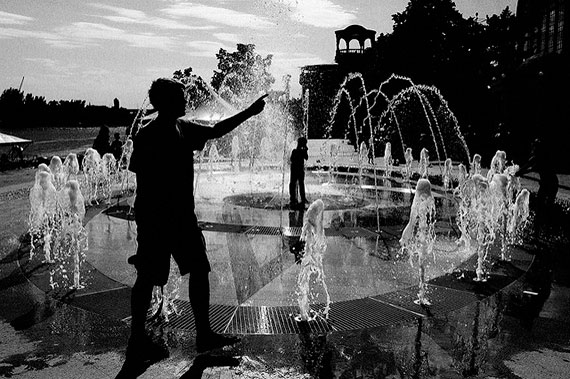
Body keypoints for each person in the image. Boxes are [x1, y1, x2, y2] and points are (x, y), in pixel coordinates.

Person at [125, 78, 266, 363]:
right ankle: (137, 339)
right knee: (148, 276)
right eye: (180, 96)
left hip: (181, 217)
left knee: (199, 269)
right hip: (157, 219)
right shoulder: (148, 135)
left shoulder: (182, 128)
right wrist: (149, 223)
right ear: (165, 102)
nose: (185, 99)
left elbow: (216, 130)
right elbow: (143, 182)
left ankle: (203, 333)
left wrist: (249, 112)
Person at [515, 138, 559, 233]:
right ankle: (538, 229)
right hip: (547, 183)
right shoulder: (539, 157)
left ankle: (545, 229)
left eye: (534, 147)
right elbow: (528, 167)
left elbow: (529, 167)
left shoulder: (540, 158)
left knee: (546, 206)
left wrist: (519, 173)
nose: (533, 148)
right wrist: (519, 172)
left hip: (551, 184)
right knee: (541, 205)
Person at [289, 137, 308, 208]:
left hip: (297, 170)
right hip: (296, 170)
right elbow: (292, 159)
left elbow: (306, 157)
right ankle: (295, 198)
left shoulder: (297, 151)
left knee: (296, 184)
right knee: (297, 184)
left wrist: (305, 150)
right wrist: (305, 150)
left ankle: (296, 198)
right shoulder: (296, 151)